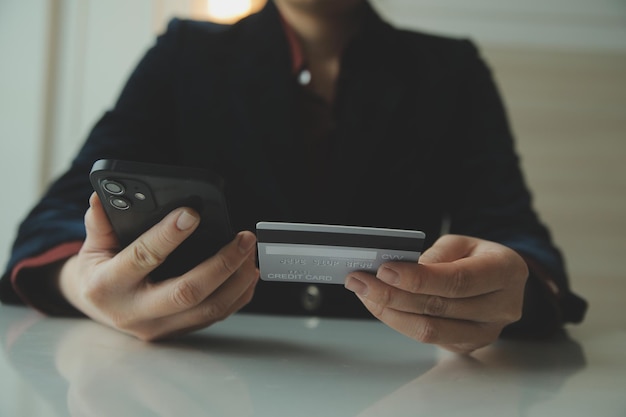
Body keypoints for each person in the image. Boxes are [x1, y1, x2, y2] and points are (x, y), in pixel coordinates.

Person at [0, 0, 587, 353]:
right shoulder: (184, 53)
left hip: (401, 376)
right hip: (198, 370)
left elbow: (515, 235)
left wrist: (514, 288)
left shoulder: (452, 70)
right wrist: (86, 285)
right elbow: (58, 217)